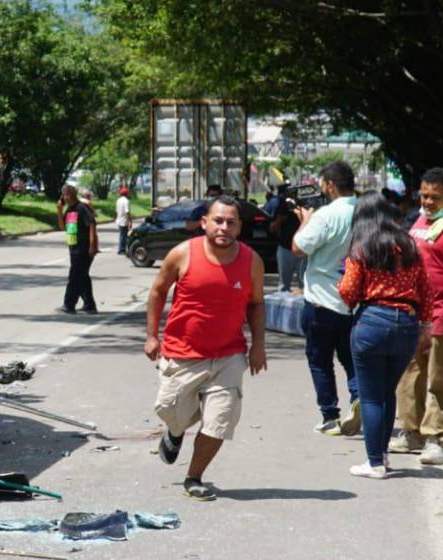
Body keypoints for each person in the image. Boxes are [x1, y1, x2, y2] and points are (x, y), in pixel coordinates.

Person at [144, 195, 268, 501]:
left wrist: (258, 345)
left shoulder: (251, 261)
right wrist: (151, 335)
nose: (224, 227)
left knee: (219, 422)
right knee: (170, 410)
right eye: (218, 220)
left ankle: (194, 477)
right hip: (182, 352)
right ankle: (174, 432)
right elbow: (158, 291)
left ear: (240, 227)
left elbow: (256, 304)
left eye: (231, 222)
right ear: (204, 223)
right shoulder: (182, 254)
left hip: (228, 355)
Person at [338, 193, 434, 478]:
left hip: (371, 321)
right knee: (387, 391)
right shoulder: (410, 246)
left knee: (370, 397)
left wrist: (342, 292)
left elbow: (349, 291)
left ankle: (374, 463)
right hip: (406, 323)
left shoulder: (362, 247)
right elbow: (426, 289)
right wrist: (426, 326)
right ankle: (382, 456)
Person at [391, 167, 443, 465]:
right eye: (424, 195)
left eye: (434, 197)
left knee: (440, 378)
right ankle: (411, 432)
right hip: (413, 313)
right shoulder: (421, 219)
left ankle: (437, 437)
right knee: (410, 374)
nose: (427, 202)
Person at [292, 161, 359, 435]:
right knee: (350, 357)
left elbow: (298, 247)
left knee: (320, 360)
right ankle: (358, 399)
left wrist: (305, 221)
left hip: (321, 299)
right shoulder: (365, 211)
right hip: (353, 300)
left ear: (330, 185)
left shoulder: (326, 215)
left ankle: (330, 416)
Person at [56, 184, 99, 314]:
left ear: (71, 194)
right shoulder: (69, 210)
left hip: (83, 248)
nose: (64, 197)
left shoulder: (82, 208)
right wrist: (59, 210)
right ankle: (89, 305)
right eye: (63, 195)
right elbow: (63, 227)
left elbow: (92, 224)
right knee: (83, 277)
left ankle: (69, 304)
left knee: (74, 276)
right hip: (73, 248)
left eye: (65, 194)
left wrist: (92, 246)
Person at [270, 184, 305, 291]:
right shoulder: (282, 206)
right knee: (283, 286)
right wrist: (281, 218)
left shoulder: (303, 205)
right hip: (285, 248)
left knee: (305, 284)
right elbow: (272, 229)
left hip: (302, 249)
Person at [115, 187, 133, 255]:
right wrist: (130, 221)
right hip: (124, 220)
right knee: (124, 235)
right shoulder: (126, 201)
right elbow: (127, 211)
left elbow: (117, 210)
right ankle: (122, 249)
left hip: (119, 219)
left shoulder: (118, 200)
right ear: (126, 194)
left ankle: (122, 248)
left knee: (122, 235)